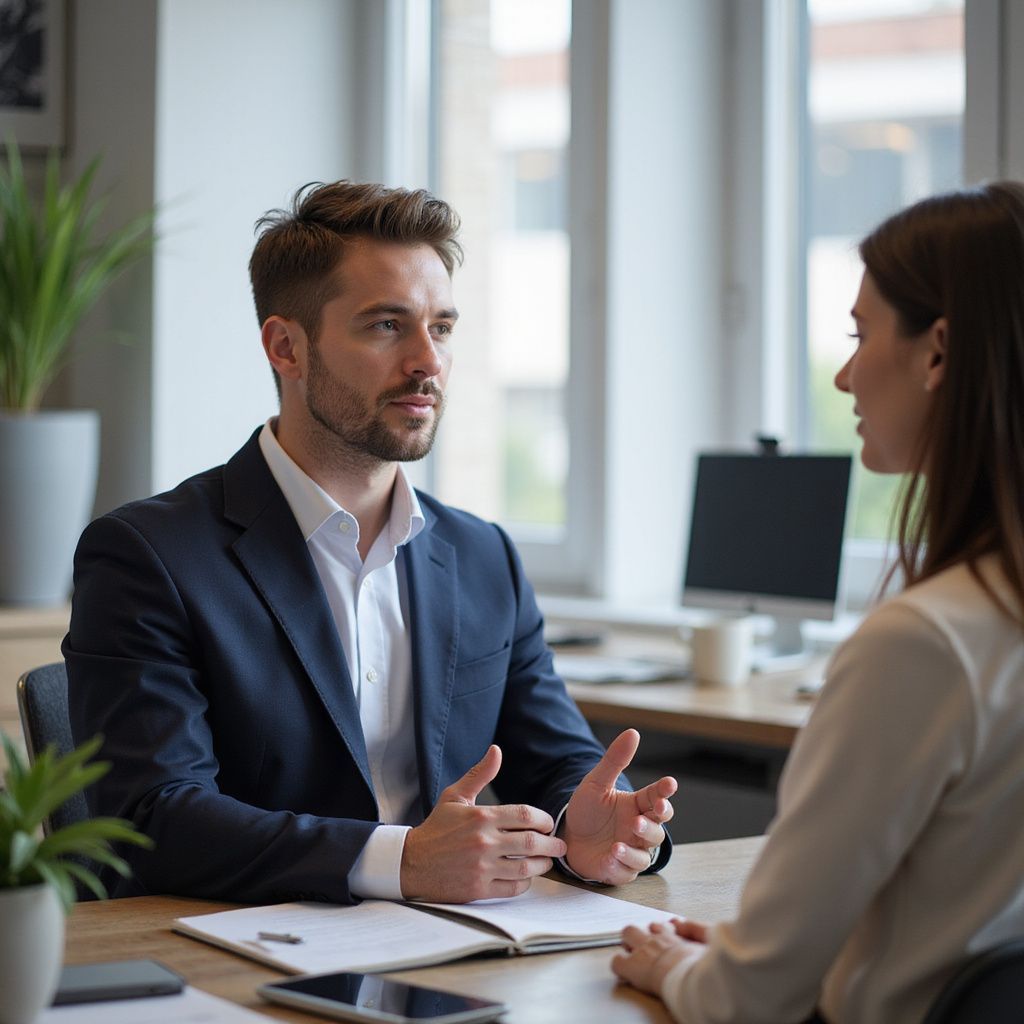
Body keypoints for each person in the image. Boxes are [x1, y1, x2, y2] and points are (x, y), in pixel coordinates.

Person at [64, 180, 676, 906]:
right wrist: (401, 861)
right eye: (387, 326)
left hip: (460, 949)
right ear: (286, 347)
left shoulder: (484, 557)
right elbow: (152, 817)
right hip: (245, 958)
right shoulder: (148, 555)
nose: (428, 362)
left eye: (441, 327)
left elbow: (558, 755)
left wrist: (596, 822)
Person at [612, 181, 1024, 1023]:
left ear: (938, 352)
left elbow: (746, 1001)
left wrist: (671, 968)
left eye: (860, 334)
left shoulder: (924, 643)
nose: (843, 374)